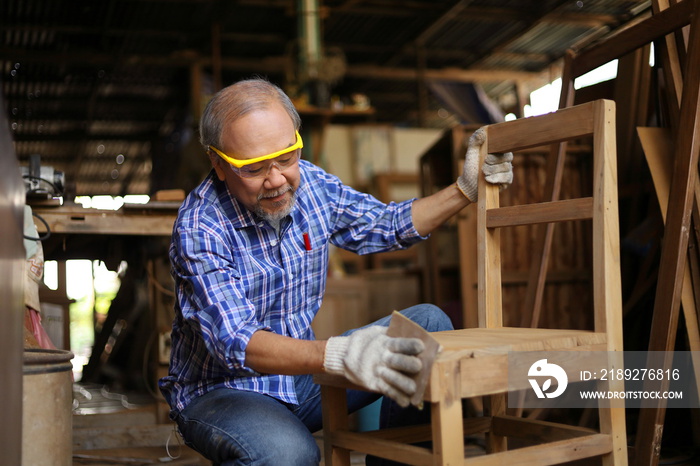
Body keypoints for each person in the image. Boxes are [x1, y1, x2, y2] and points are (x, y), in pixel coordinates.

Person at [158, 77, 513, 465]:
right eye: (255, 167)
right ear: (219, 164)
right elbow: (238, 342)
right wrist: (339, 354)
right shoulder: (200, 226)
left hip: (301, 380)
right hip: (223, 391)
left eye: (287, 157)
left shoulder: (312, 185)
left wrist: (464, 189)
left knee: (429, 326)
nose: (277, 180)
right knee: (289, 454)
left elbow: (386, 224)